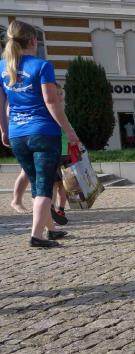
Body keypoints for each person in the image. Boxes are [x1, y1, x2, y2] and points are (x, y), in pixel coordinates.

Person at [0, 21, 80, 247]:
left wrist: (4, 130)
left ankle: (51, 229)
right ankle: (36, 235)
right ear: (33, 40)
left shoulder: (2, 67)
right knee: (44, 186)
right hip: (43, 132)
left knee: (36, 183)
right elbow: (51, 102)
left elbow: (1, 105)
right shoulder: (42, 66)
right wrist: (69, 131)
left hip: (17, 133)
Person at [10, 82, 71, 224]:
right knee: (31, 175)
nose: (59, 96)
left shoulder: (58, 107)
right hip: (36, 142)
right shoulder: (42, 105)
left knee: (51, 182)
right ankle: (19, 201)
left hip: (55, 149)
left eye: (61, 93)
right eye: (57, 93)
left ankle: (50, 212)